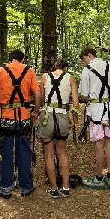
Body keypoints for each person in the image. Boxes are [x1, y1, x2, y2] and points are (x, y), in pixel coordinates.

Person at [0, 50, 41, 198]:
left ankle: (5, 185)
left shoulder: (1, 71)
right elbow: (37, 94)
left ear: (9, 58)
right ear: (22, 59)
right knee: (24, 150)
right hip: (24, 116)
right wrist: (35, 111)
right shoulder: (29, 71)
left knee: (5, 152)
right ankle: (26, 185)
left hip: (6, 116)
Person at [79, 47, 110, 190]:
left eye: (84, 59)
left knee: (98, 144)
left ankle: (98, 177)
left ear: (89, 55)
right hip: (109, 109)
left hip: (96, 111)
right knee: (108, 142)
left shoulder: (87, 70)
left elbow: (84, 94)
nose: (84, 62)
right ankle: (109, 174)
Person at [38, 59, 80, 198]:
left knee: (48, 154)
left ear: (53, 68)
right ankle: (66, 187)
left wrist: (36, 111)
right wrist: (75, 119)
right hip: (62, 117)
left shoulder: (44, 77)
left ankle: (54, 188)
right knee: (62, 153)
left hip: (47, 117)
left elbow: (41, 97)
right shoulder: (70, 79)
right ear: (65, 68)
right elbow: (75, 102)